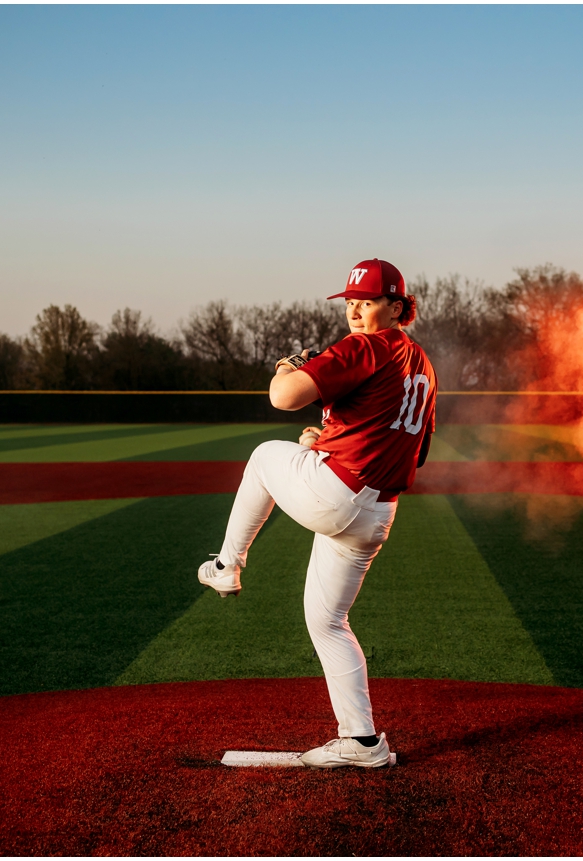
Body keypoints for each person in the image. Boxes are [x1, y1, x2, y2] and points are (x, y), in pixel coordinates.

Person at [197, 257, 435, 769]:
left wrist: (286, 366)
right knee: (327, 621)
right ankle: (364, 742)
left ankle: (227, 566)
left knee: (264, 455)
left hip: (340, 497)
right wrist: (323, 445)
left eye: (367, 302)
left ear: (396, 307)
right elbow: (410, 447)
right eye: (350, 302)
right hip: (378, 513)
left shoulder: (368, 345)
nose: (355, 311)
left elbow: (283, 397)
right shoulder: (421, 364)